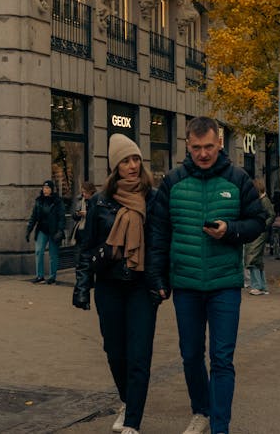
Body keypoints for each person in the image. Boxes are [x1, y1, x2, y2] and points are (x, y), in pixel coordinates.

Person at [146, 117, 269, 434]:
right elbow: (159, 233)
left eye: (209, 147)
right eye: (197, 147)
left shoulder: (238, 179)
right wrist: (158, 278)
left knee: (222, 358)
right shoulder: (173, 182)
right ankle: (201, 410)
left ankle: (220, 426)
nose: (203, 154)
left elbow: (258, 221)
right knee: (190, 355)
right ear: (187, 145)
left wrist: (231, 230)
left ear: (220, 143)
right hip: (186, 284)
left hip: (224, 285)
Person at [72, 134, 158, 434]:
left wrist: (161, 282)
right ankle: (127, 400)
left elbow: (160, 245)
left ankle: (133, 421)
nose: (132, 166)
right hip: (109, 285)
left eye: (136, 159)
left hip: (141, 286)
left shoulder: (153, 198)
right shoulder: (100, 201)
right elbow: (87, 247)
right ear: (115, 167)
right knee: (114, 352)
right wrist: (82, 287)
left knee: (139, 355)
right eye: (125, 161)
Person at [26, 180, 66, 284]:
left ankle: (52, 277)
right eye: (44, 188)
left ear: (52, 189)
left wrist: (60, 230)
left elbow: (62, 217)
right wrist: (29, 230)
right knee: (39, 251)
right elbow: (34, 216)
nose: (45, 190)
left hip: (54, 231)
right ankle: (39, 276)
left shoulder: (57, 202)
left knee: (53, 254)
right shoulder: (39, 201)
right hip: (42, 229)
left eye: (48, 188)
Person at [245, 179, 272, 295]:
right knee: (257, 259)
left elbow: (271, 215)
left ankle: (257, 285)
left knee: (252, 256)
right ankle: (262, 286)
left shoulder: (264, 201)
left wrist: (263, 226)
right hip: (258, 231)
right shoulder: (261, 200)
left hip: (259, 232)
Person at [67, 181, 96, 246]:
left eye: (86, 192)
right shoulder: (81, 201)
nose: (84, 194)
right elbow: (74, 216)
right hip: (81, 230)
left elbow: (97, 215)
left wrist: (87, 214)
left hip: (92, 231)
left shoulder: (96, 201)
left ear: (91, 191)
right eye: (82, 192)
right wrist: (77, 214)